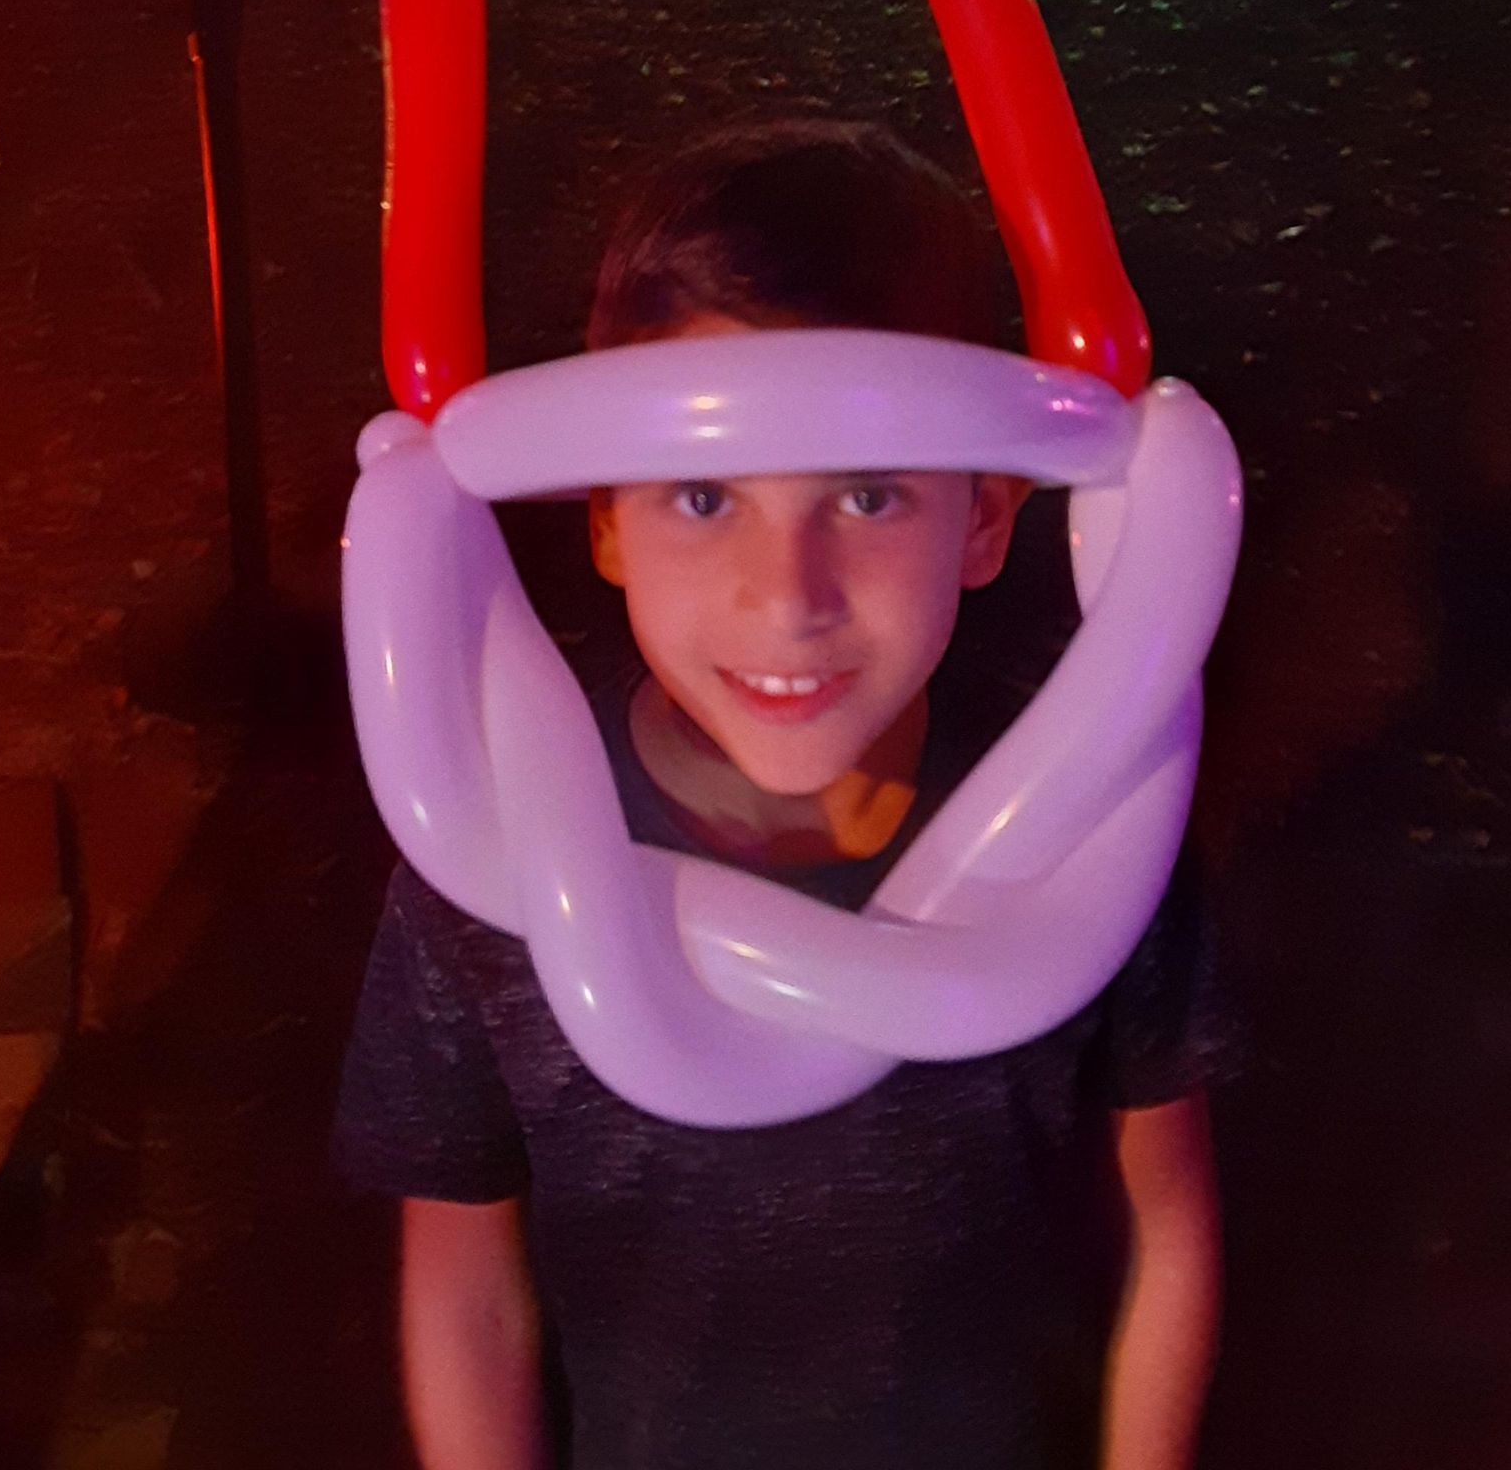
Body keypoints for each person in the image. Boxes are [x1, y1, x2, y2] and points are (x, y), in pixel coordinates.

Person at [335, 119, 1238, 1470]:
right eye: (704, 495)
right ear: (601, 519)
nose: (788, 597)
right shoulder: (480, 890)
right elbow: (466, 1286)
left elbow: (1163, 1225)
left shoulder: (1094, 840)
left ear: (987, 514)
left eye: (868, 495)